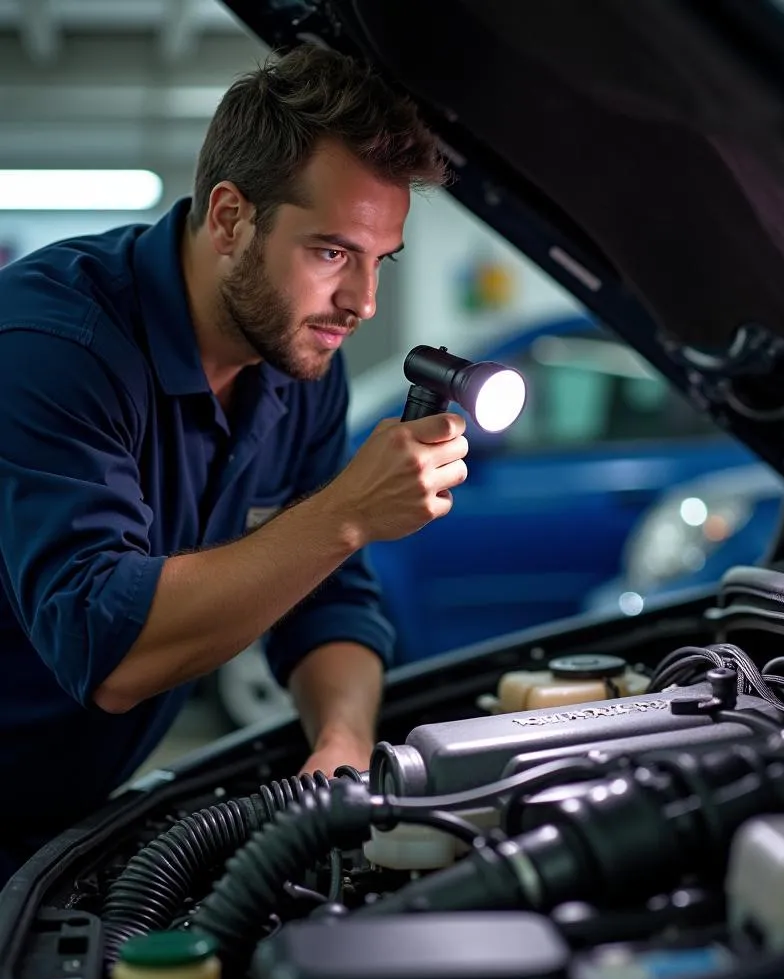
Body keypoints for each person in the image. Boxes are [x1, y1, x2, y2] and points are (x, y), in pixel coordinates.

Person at [0, 44, 465, 887]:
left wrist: (342, 745)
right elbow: (106, 650)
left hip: (72, 821)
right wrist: (347, 511)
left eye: (378, 260)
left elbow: (329, 598)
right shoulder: (51, 345)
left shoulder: (292, 361)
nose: (361, 302)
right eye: (331, 252)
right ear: (228, 218)